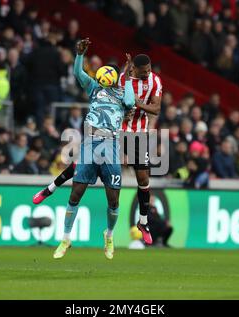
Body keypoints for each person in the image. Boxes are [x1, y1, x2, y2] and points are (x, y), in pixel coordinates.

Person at [31, 52, 163, 246]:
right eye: (144, 71)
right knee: (81, 164)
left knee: (143, 179)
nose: (148, 74)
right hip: (114, 131)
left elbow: (156, 108)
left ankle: (143, 223)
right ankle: (51, 188)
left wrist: (136, 104)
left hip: (138, 133)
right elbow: (114, 101)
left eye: (149, 70)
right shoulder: (116, 78)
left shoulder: (155, 81)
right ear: (133, 68)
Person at [34, 38, 135, 260]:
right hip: (91, 143)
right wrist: (79, 55)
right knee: (76, 193)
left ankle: (109, 236)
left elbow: (130, 101)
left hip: (111, 146)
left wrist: (128, 78)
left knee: (113, 200)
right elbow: (79, 74)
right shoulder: (94, 88)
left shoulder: (122, 94)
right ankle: (66, 238)